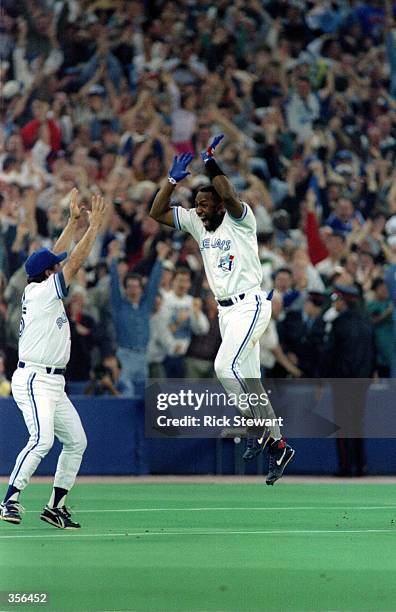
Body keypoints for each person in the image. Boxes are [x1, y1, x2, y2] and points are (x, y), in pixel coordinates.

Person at [150, 137, 295, 485]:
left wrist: (211, 164)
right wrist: (171, 183)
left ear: (218, 203)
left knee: (222, 365)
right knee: (254, 385)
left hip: (251, 303)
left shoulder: (240, 220)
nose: (199, 209)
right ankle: (279, 445)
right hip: (227, 312)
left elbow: (229, 194)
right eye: (196, 203)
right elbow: (156, 213)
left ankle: (253, 425)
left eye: (204, 203)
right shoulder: (198, 225)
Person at [0, 189, 107, 529]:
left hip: (52, 381)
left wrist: (74, 222)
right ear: (48, 273)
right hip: (34, 378)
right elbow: (72, 261)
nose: (59, 266)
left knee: (77, 440)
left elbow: (54, 256)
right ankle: (8, 501)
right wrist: (94, 226)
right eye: (54, 267)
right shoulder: (45, 291)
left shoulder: (38, 286)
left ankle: (55, 506)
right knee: (42, 439)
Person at [324, 284, 375, 477]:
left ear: (343, 301)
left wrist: (323, 376)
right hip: (362, 381)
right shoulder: (367, 321)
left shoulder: (339, 323)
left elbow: (330, 353)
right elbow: (372, 351)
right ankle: (361, 466)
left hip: (342, 381)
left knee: (343, 424)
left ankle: (346, 467)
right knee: (357, 422)